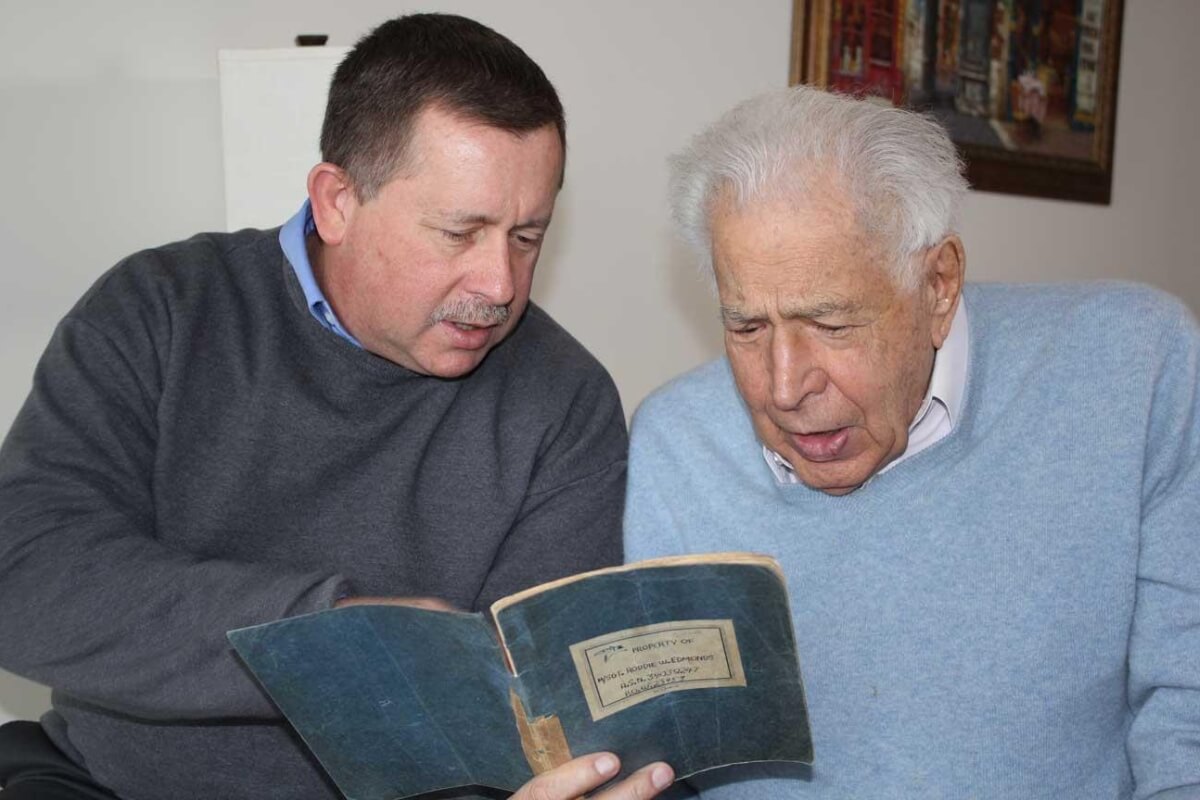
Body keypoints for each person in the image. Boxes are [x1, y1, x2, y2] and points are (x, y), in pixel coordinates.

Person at [0, 13, 672, 800]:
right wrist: (333, 635)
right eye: (461, 232)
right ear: (337, 201)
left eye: (527, 236)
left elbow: (522, 718)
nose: (499, 285)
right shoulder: (162, 311)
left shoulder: (564, 401)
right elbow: (27, 574)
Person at [625, 85, 1200, 799]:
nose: (783, 386)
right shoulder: (675, 445)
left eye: (831, 325)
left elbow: (1189, 713)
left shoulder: (1135, 368)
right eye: (747, 327)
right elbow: (669, 751)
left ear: (938, 284)